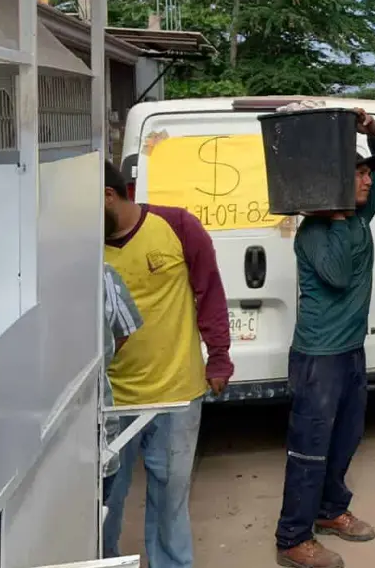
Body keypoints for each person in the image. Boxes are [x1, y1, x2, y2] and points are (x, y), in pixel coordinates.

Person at [275, 107, 375, 568]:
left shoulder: (356, 216)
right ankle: (292, 537)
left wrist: (373, 132)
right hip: (318, 358)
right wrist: (345, 217)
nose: (368, 181)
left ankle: (329, 511)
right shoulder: (315, 232)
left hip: (349, 351)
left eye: (366, 173)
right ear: (336, 183)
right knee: (309, 448)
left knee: (346, 436)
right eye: (358, 175)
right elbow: (340, 275)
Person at [102, 161, 234, 568]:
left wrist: (219, 358)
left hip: (176, 393)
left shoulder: (177, 226)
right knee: (105, 498)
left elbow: (209, 292)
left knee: (170, 495)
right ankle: (103, 560)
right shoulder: (79, 245)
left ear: (109, 195)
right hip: (110, 401)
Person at [101, 261, 143, 482]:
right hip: (97, 431)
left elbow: (123, 332)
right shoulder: (103, 272)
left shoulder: (103, 274)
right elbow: (124, 330)